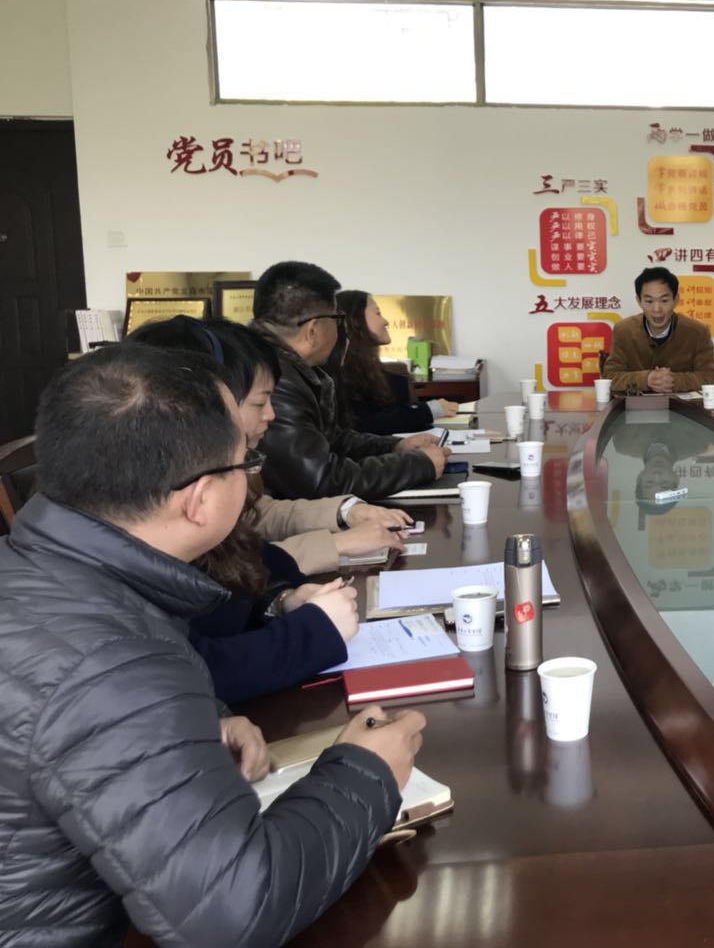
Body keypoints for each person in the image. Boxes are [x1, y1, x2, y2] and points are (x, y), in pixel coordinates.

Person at [0, 344, 426, 944]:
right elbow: (231, 909)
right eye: (244, 463)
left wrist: (204, 718)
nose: (251, 478)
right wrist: (367, 774)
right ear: (199, 500)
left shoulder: (49, 572)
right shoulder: (112, 659)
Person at [130, 316, 412, 573]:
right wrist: (335, 545)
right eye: (259, 402)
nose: (271, 415)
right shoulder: (175, 488)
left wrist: (345, 511)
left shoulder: (212, 467)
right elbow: (222, 575)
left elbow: (256, 514)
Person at [251, 260, 444, 500]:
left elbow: (332, 440)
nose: (342, 329)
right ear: (313, 330)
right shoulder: (275, 381)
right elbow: (322, 480)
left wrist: (394, 446)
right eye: (337, 319)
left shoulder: (287, 367)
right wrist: (418, 465)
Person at [337, 290, 459, 435]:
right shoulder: (340, 374)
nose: (386, 321)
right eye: (378, 313)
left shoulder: (375, 373)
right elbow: (365, 426)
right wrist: (429, 410)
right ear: (355, 320)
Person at [603, 266, 714, 394]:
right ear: (639, 301)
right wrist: (646, 379)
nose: (657, 309)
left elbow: (711, 375)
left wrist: (675, 381)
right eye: (649, 301)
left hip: (683, 405)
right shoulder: (623, 330)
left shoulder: (697, 332)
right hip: (635, 405)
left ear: (676, 300)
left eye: (664, 300)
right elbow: (609, 376)